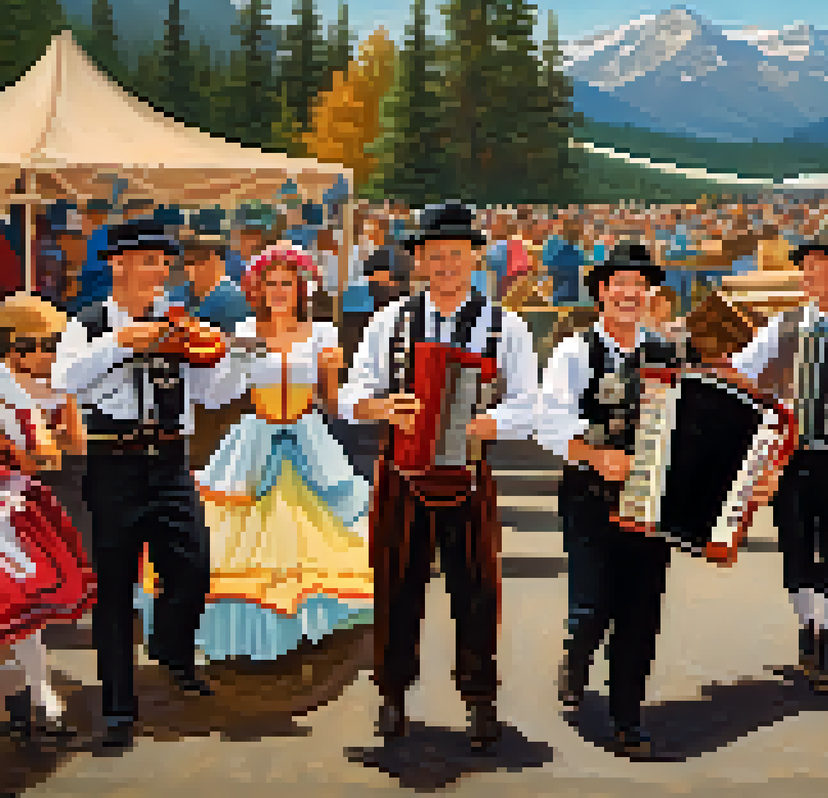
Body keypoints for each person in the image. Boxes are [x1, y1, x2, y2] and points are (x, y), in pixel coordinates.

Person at [340, 203, 539, 752]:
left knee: (475, 589)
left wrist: (489, 422)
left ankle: (479, 699)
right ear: (420, 261)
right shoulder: (390, 322)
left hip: (469, 472)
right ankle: (392, 695)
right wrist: (384, 410)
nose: (446, 264)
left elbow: (530, 404)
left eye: (456, 254)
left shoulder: (507, 326)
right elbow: (350, 395)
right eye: (435, 256)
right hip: (402, 473)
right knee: (395, 586)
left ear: (476, 257)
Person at [52, 219, 245, 749]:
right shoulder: (90, 322)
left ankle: (172, 647)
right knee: (113, 587)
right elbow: (62, 379)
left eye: (164, 262)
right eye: (148, 261)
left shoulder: (182, 321)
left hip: (169, 461)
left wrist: (228, 357)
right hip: (112, 463)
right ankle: (118, 704)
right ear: (117, 264)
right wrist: (121, 343)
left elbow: (209, 394)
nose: (160, 271)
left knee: (194, 566)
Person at [137, 244, 372, 663]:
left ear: (302, 289)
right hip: (254, 440)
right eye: (271, 284)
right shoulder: (247, 330)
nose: (279, 292)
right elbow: (220, 396)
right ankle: (243, 643)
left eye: (287, 284)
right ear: (258, 289)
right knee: (238, 540)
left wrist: (334, 371)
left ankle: (300, 638)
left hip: (311, 441)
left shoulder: (322, 333)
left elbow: (332, 405)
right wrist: (224, 358)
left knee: (307, 539)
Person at [540, 244, 682, 757]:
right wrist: (595, 454)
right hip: (590, 495)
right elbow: (549, 423)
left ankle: (628, 716)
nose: (629, 293)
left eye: (638, 285)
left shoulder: (666, 354)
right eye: (620, 283)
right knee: (593, 606)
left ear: (648, 295)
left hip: (649, 504)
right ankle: (576, 659)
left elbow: (685, 427)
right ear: (602, 292)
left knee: (641, 612)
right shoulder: (575, 351)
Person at [732, 242, 828, 695]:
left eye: (815, 268)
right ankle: (807, 627)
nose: (806, 276)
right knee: (796, 544)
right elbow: (744, 368)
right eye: (804, 269)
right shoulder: (784, 326)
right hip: (789, 453)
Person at [0, 293, 95, 743]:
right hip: (10, 505)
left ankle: (36, 704)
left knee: (23, 613)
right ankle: (34, 703)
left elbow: (62, 453)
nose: (45, 353)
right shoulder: (9, 390)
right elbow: (42, 457)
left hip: (16, 508)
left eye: (50, 344)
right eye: (34, 345)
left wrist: (65, 406)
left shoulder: (42, 390)